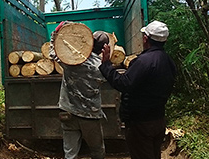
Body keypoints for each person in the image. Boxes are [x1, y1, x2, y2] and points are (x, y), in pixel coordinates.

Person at [99, 20, 176, 159]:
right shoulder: (168, 61)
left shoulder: (144, 61)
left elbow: (123, 84)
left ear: (146, 38)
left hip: (141, 123)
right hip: (158, 119)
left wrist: (106, 65)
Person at [50, 22, 108, 159]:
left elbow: (53, 51)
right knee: (97, 151)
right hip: (90, 116)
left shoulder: (70, 59)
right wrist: (107, 61)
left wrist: (56, 32)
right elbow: (111, 78)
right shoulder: (102, 67)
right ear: (104, 48)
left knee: (70, 153)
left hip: (68, 112)